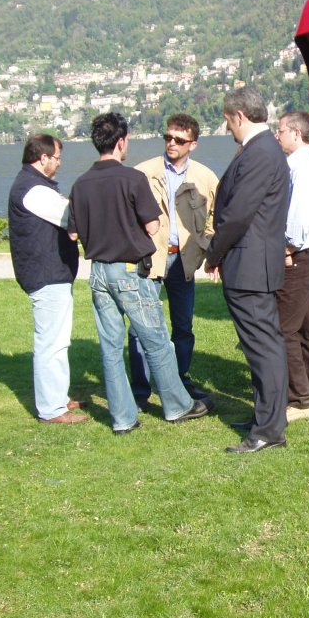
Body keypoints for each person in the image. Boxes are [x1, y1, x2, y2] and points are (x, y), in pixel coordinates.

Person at [68, 112, 212, 434]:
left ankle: (122, 417)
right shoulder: (133, 179)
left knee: (110, 346)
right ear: (121, 142)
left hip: (98, 273)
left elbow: (73, 235)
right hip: (130, 271)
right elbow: (153, 225)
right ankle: (177, 405)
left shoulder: (80, 185)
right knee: (156, 340)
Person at [205, 88, 291, 454]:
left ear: (239, 116)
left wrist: (213, 254)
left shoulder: (259, 153)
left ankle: (269, 429)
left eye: (228, 121)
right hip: (254, 262)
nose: (228, 129)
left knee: (263, 348)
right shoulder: (265, 151)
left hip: (250, 264)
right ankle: (264, 417)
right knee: (261, 346)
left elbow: (238, 214)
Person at [127, 114, 220, 409]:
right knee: (140, 327)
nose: (171, 143)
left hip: (184, 261)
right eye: (167, 137)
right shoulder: (143, 172)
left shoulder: (205, 177)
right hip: (150, 259)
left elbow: (217, 215)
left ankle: (180, 379)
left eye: (179, 140)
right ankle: (140, 390)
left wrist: (205, 245)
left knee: (183, 325)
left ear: (193, 144)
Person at [8, 134, 88, 424]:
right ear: (42, 158)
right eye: (56, 158)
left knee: (58, 339)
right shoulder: (34, 190)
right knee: (51, 343)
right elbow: (70, 217)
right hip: (46, 273)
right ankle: (52, 409)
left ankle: (58, 397)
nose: (58, 163)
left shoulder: (32, 185)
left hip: (50, 272)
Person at [274, 111, 309, 421]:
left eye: (280, 130)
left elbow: (298, 217)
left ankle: (300, 399)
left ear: (295, 134)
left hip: (298, 254)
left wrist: (287, 248)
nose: (277, 136)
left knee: (284, 328)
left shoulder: (302, 167)